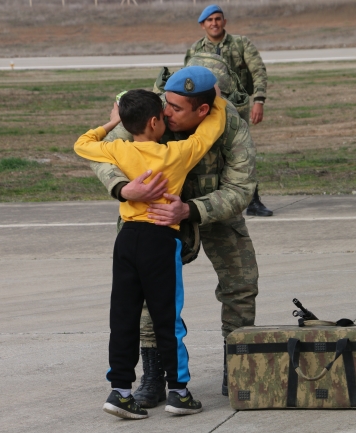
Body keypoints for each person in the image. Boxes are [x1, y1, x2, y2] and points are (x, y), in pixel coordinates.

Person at [91, 66, 259, 406]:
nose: (167, 113)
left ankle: (237, 365)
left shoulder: (230, 126)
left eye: (177, 109)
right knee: (147, 298)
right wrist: (124, 189)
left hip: (210, 210)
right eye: (166, 104)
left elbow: (241, 189)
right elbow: (105, 152)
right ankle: (155, 375)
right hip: (152, 213)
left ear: (203, 111)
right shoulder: (152, 110)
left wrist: (191, 210)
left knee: (241, 283)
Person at [185, 4, 273, 217]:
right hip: (206, 110)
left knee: (242, 153)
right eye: (209, 20)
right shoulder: (195, 50)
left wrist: (259, 100)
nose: (214, 23)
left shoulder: (241, 44)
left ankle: (253, 200)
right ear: (202, 25)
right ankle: (213, 199)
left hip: (237, 109)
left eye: (218, 18)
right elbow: (187, 81)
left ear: (224, 21)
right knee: (208, 152)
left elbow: (258, 70)